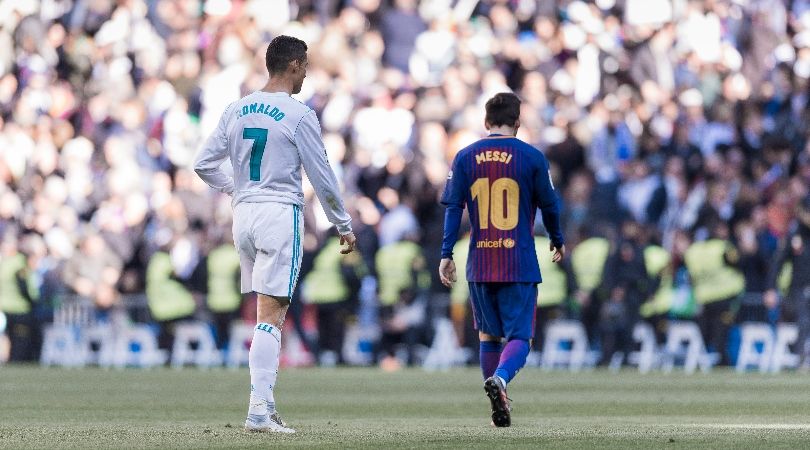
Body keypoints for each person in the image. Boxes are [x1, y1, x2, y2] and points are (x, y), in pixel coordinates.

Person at [194, 35, 356, 434]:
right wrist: (343, 224)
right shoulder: (298, 114)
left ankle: (262, 406)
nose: (306, 73)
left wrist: (237, 189)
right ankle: (259, 410)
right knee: (272, 315)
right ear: (296, 65)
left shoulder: (237, 108)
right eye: (306, 66)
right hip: (279, 213)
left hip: (243, 215)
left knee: (263, 313)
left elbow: (202, 164)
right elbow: (321, 175)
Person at [438, 92, 565, 428]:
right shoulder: (532, 157)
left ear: (485, 122)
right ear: (518, 123)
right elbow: (550, 206)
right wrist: (557, 238)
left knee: (487, 337)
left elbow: (454, 208)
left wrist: (446, 253)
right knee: (521, 337)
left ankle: (499, 406)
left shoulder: (465, 156)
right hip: (517, 260)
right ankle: (502, 380)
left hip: (480, 261)